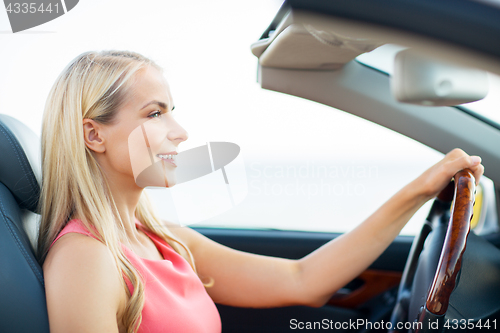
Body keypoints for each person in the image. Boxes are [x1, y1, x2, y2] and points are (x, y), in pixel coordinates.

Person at [37, 50, 484, 333]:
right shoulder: (86, 258)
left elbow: (303, 281)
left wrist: (420, 190)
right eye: (154, 114)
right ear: (94, 136)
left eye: (171, 112)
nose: (180, 132)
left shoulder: (165, 239)